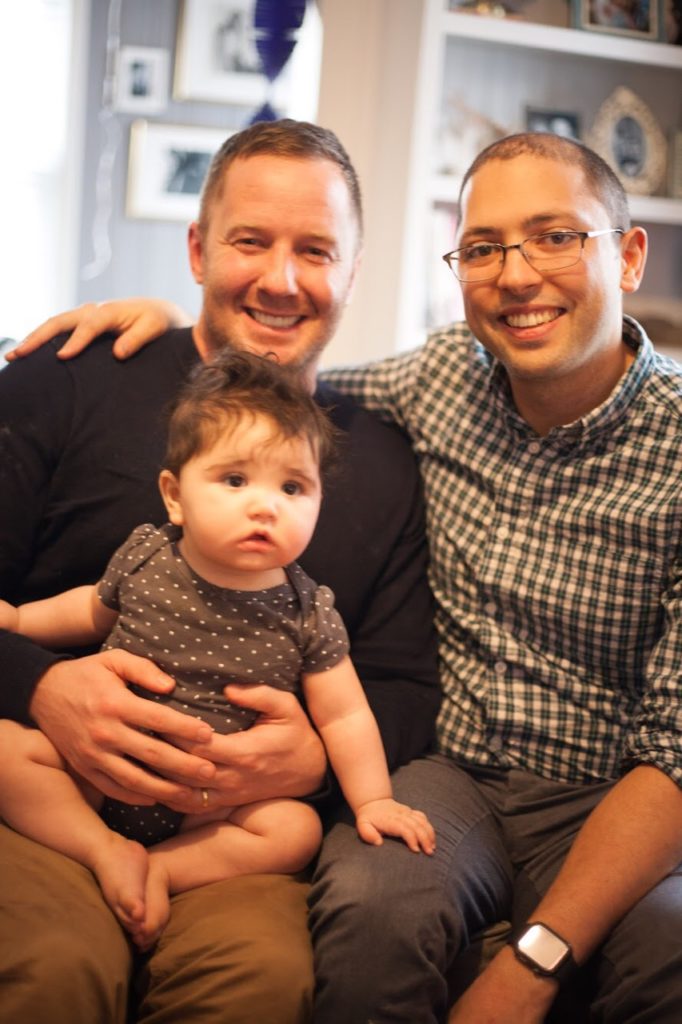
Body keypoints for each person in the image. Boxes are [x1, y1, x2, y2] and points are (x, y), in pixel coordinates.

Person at [34, 131, 682, 1024]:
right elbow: (269, 380)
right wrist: (172, 337)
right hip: (432, 779)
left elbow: (669, 750)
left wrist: (528, 965)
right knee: (360, 913)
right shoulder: (442, 377)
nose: (519, 274)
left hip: (595, 791)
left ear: (630, 253)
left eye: (558, 236)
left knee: (667, 951)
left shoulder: (657, 446)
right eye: (486, 247)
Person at [0, 119, 441, 1024]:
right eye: (251, 241)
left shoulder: (387, 461)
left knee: (261, 985)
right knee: (56, 965)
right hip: (51, 795)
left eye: (315, 250)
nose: (281, 279)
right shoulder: (69, 379)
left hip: (229, 837)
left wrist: (311, 762)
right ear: (197, 249)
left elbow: (399, 685)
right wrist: (39, 689)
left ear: (353, 271)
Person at [0, 350, 435, 951]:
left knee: (294, 829)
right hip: (96, 774)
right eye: (235, 480)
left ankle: (161, 869)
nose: (265, 505)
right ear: (175, 495)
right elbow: (89, 611)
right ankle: (104, 850)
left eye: (293, 487)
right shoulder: (147, 554)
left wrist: (375, 800)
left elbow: (345, 714)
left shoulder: (309, 613)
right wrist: (21, 620)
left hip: (211, 812)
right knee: (7, 750)